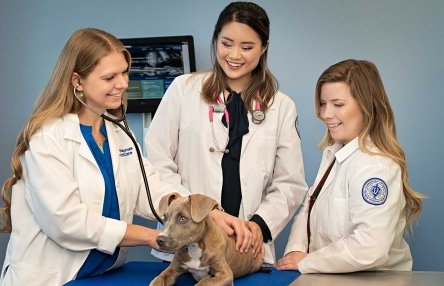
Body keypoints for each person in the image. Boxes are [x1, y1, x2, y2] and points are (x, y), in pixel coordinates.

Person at [0, 28, 189, 285]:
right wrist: (149, 236)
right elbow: (66, 221)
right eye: (110, 77)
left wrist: (199, 211)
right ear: (77, 81)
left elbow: (149, 189)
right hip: (53, 277)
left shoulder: (118, 131)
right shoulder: (47, 137)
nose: (122, 83)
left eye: (124, 72)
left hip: (101, 275)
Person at [145, 1, 308, 265]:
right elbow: (157, 164)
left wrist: (259, 226)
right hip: (187, 242)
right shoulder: (183, 90)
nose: (234, 55)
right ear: (215, 40)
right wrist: (203, 214)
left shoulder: (281, 107)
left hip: (246, 246)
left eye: (247, 47)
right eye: (226, 43)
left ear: (264, 47)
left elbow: (290, 183)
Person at [276, 59, 423, 273]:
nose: (325, 114)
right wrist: (294, 252)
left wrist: (307, 262)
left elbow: (370, 247)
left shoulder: (377, 166)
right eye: (323, 103)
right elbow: (309, 206)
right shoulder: (334, 154)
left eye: (338, 104)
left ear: (366, 106)